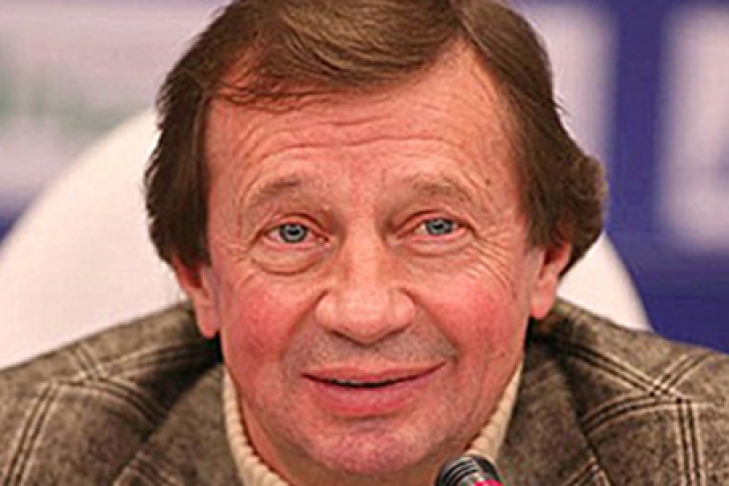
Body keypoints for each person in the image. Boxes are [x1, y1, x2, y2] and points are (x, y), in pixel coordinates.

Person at [1, 0, 727, 484]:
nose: (364, 312)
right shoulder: (25, 456)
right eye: (292, 233)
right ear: (199, 277)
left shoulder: (705, 454)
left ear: (547, 258)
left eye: (435, 227)